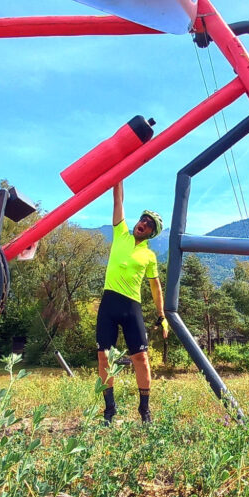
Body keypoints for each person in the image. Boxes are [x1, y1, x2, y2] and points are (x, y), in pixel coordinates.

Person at [96, 180, 168, 423]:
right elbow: (118, 200)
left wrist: (162, 316)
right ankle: (109, 410)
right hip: (109, 303)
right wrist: (120, 175)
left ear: (152, 233)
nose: (143, 224)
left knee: (141, 358)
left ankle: (144, 411)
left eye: (149, 225)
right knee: (104, 356)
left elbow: (156, 286)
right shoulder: (120, 233)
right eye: (143, 219)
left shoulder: (149, 255)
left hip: (131, 307)